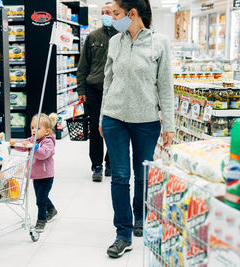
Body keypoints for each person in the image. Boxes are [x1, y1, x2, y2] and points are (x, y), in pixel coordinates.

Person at [99, 0, 174, 258]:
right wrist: (101, 117)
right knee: (120, 176)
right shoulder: (114, 42)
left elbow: (165, 85)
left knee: (142, 175)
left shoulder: (159, 42)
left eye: (116, 13)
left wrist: (170, 125)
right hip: (114, 118)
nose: (113, 18)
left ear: (131, 13)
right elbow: (108, 81)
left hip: (146, 121)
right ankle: (123, 233)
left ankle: (140, 215)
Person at [77, 2, 118, 182]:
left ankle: (110, 161)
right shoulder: (93, 37)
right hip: (94, 90)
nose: (104, 14)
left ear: (115, 14)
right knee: (95, 129)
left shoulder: (122, 36)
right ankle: (97, 165)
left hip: (116, 91)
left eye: (107, 12)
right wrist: (81, 89)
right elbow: (82, 66)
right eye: (102, 12)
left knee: (113, 128)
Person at [10, 113, 58, 233]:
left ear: (47, 131)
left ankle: (41, 220)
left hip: (46, 176)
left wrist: (33, 147)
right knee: (41, 197)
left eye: (37, 128)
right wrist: (15, 144)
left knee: (40, 200)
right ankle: (52, 209)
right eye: (32, 127)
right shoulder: (33, 140)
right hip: (36, 175)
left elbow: (43, 154)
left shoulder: (48, 142)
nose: (33, 130)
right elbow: (24, 145)